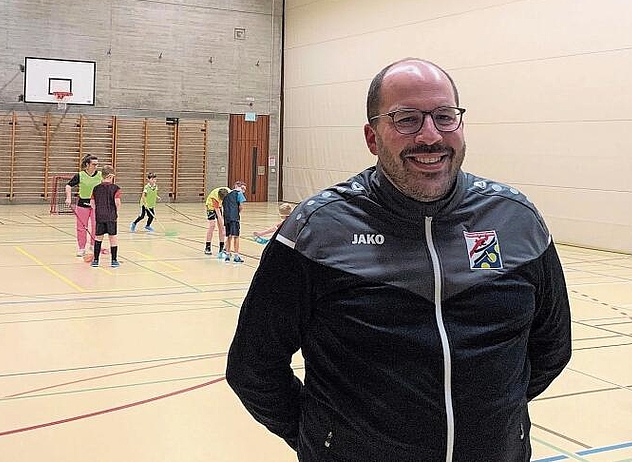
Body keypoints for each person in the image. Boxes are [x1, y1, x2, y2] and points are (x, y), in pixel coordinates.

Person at [226, 58, 572, 462]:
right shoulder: (316, 232)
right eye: (406, 119)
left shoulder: (516, 220)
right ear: (373, 138)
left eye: (445, 117)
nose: (430, 136)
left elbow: (552, 347)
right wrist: (325, 440)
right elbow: (254, 367)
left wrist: (496, 421)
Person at [65, 154, 102, 257]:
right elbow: (68, 185)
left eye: (97, 164)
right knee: (81, 227)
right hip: (82, 204)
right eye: (94, 164)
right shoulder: (80, 175)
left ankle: (93, 245)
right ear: (87, 165)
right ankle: (81, 248)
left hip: (96, 204)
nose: (96, 166)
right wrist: (68, 198)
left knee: (96, 226)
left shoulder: (100, 175)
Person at [89, 165, 121, 268]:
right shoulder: (116, 188)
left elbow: (92, 203)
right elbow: (117, 202)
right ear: (111, 176)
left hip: (100, 217)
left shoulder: (96, 188)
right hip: (111, 217)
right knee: (113, 238)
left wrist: (98, 211)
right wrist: (116, 212)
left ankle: (96, 261)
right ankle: (114, 261)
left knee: (98, 238)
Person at [223, 181, 247, 263]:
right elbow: (241, 206)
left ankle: (227, 255)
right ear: (241, 187)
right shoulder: (239, 193)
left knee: (229, 236)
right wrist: (237, 213)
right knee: (236, 236)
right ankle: (236, 256)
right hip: (234, 218)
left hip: (226, 218)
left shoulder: (226, 194)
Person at [204, 186, 230, 256]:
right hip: (211, 207)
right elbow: (219, 215)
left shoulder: (229, 192)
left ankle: (221, 247)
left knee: (221, 227)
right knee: (212, 225)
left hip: (220, 206)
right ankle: (208, 246)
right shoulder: (214, 197)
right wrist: (223, 228)